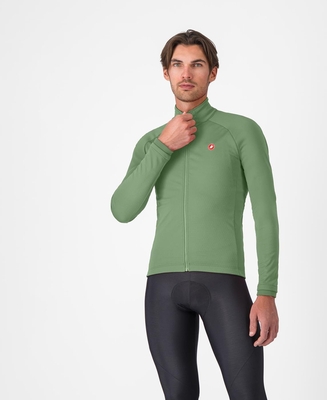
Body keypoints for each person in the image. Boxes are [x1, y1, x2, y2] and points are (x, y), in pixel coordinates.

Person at [111, 29, 279, 400]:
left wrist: (267, 292)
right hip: (162, 287)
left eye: (197, 65)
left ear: (213, 72)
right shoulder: (151, 141)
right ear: (166, 72)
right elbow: (122, 209)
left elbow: (266, 214)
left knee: (249, 394)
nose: (186, 73)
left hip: (223, 285)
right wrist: (164, 145)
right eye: (178, 64)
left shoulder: (241, 131)